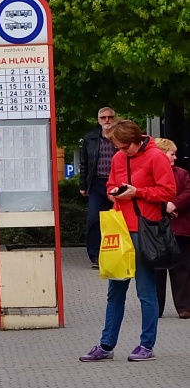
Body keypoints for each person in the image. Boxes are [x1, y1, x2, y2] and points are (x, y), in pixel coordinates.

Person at [79, 120, 176, 363]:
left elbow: (168, 191)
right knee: (115, 292)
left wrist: (138, 192)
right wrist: (114, 191)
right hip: (120, 230)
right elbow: (111, 183)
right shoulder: (118, 159)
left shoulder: (156, 157)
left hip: (145, 230)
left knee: (145, 291)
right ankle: (106, 344)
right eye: (118, 148)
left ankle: (146, 344)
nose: (121, 152)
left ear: (136, 141)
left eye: (124, 147)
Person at [151, 138, 190, 319]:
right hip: (157, 227)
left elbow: (188, 192)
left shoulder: (182, 173)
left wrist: (173, 204)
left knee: (182, 267)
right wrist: (164, 206)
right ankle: (156, 308)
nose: (175, 157)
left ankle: (184, 307)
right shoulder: (150, 173)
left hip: (180, 228)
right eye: (171, 154)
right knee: (157, 269)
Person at [80, 107, 120, 267]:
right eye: (103, 117)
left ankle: (116, 254)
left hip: (117, 184)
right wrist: (83, 185)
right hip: (97, 183)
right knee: (93, 219)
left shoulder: (120, 137)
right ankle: (95, 256)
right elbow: (84, 163)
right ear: (98, 120)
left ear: (114, 118)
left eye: (110, 117)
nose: (107, 120)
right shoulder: (90, 138)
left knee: (117, 220)